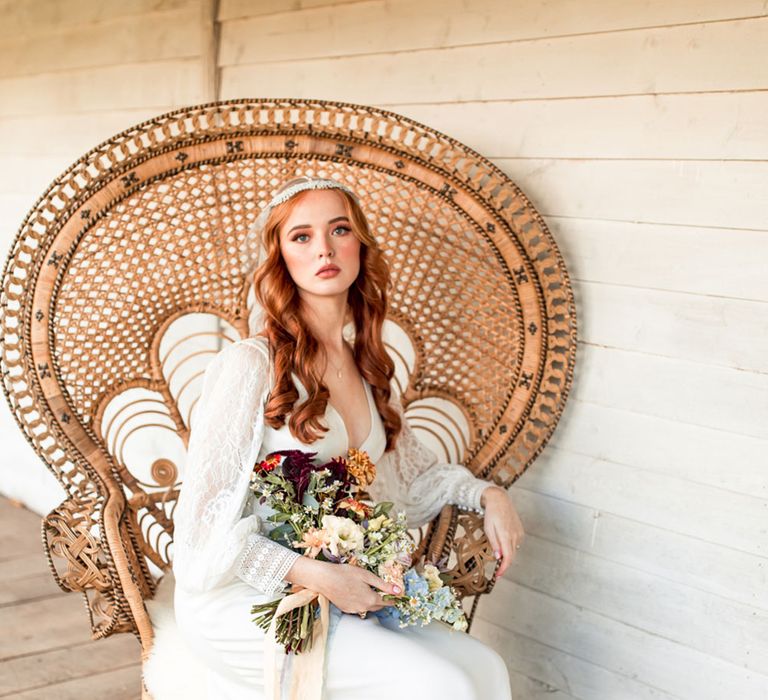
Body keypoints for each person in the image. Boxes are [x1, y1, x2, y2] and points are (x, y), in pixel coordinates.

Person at [172, 175, 524, 699]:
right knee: (445, 686)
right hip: (244, 593)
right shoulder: (252, 365)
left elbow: (413, 477)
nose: (324, 249)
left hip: (341, 583)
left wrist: (488, 494)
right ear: (280, 258)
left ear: (359, 243)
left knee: (487, 669)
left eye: (339, 229)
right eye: (302, 237)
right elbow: (199, 532)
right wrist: (310, 572)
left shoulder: (366, 367)